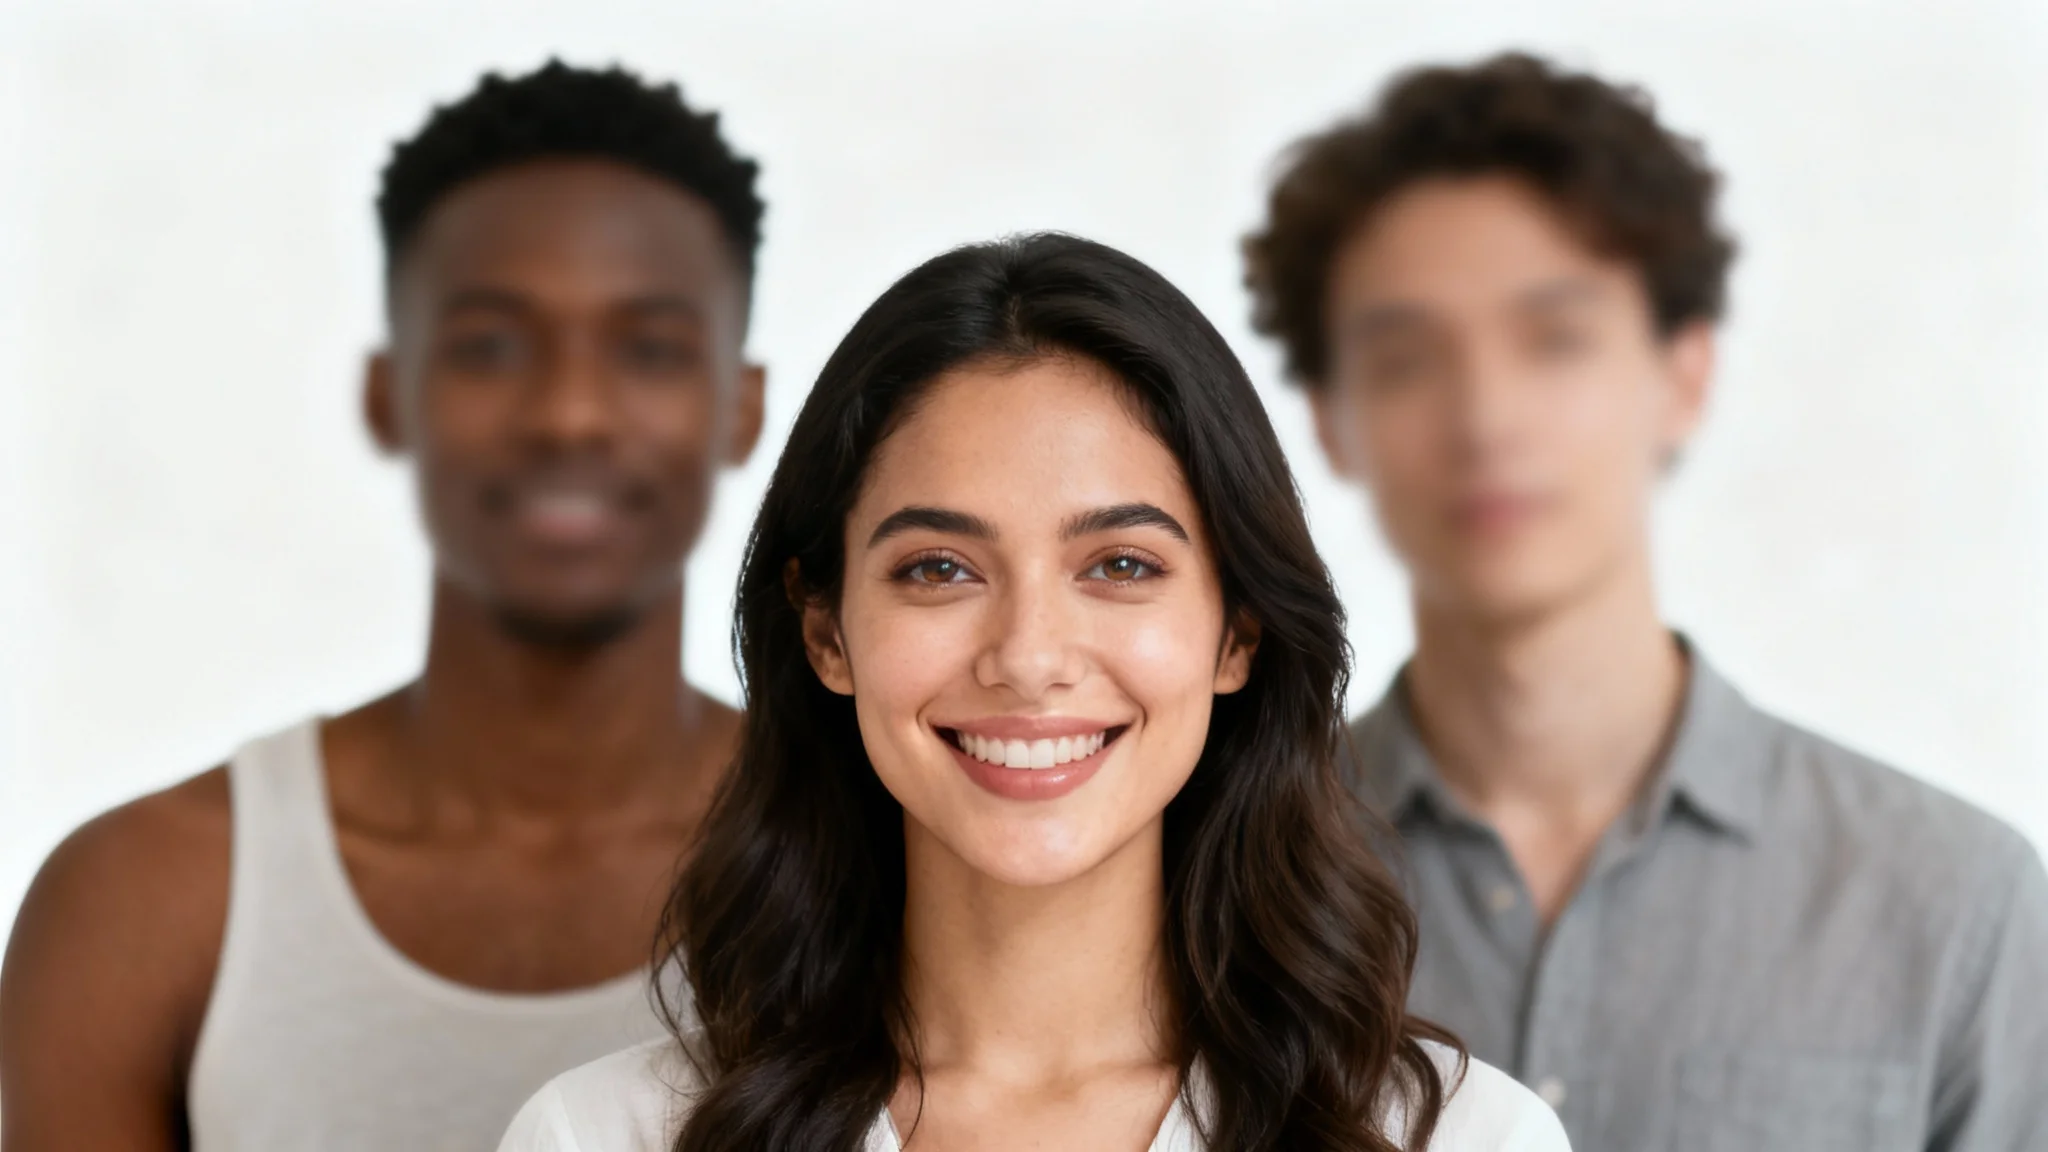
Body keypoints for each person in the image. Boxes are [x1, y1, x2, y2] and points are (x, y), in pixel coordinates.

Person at [494, 233, 1569, 1152]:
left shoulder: (1464, 1141)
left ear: (1237, 632)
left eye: (1120, 565)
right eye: (938, 569)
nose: (1028, 656)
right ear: (825, 631)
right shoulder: (603, 1139)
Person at [1242, 51, 2048, 1152]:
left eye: (1554, 340)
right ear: (1329, 421)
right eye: (1405, 358)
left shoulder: (1954, 903)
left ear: (1683, 373)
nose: (1485, 418)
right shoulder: (1226, 879)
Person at [0, 61, 767, 1151]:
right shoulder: (149, 900)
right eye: (490, 345)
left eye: (649, 349)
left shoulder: (883, 863)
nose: (570, 414)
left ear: (742, 408)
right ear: (385, 393)